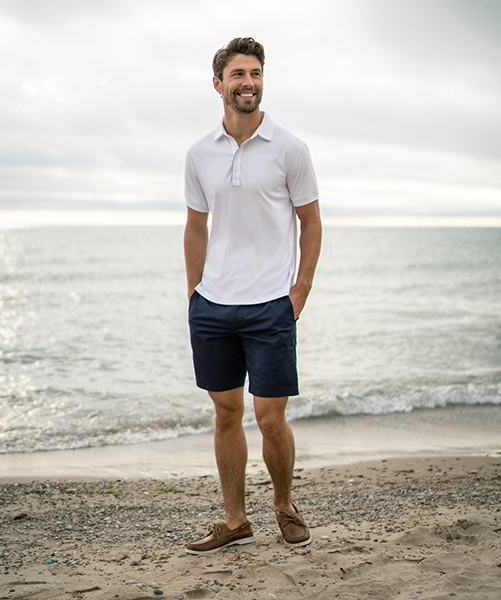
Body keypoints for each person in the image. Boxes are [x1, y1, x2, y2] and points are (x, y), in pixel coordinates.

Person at [183, 37, 322, 555]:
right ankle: (235, 520)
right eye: (238, 74)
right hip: (214, 304)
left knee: (269, 416)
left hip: (271, 303)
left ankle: (284, 505)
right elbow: (195, 227)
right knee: (225, 414)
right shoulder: (199, 154)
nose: (249, 82)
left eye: (256, 73)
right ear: (217, 83)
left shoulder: (290, 149)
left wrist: (299, 290)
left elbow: (311, 223)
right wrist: (194, 293)